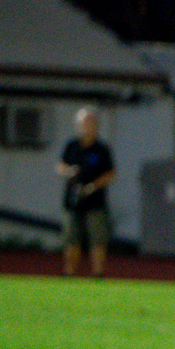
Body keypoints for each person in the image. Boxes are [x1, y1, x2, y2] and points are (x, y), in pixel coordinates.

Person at [58, 107, 116, 278]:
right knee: (71, 239)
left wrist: (91, 187)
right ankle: (69, 273)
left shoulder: (101, 149)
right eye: (84, 123)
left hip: (95, 201)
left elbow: (110, 174)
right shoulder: (71, 146)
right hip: (73, 201)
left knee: (97, 239)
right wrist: (68, 172)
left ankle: (98, 274)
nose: (87, 126)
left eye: (91, 123)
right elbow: (60, 166)